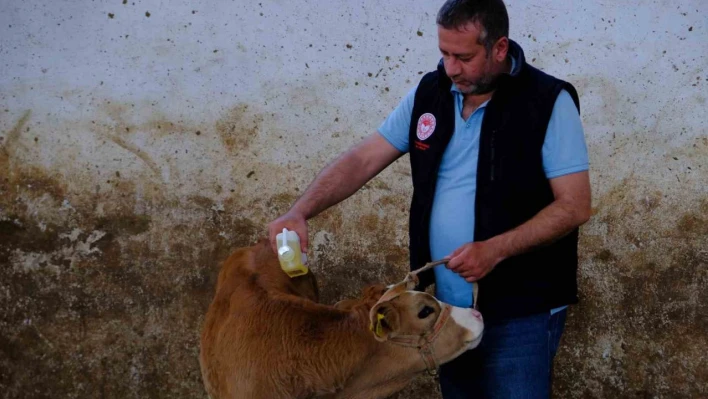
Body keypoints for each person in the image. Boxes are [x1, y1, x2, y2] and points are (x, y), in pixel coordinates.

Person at [268, 0, 591, 397]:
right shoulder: (430, 92)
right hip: (443, 308)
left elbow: (574, 205)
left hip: (521, 310)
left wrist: (495, 250)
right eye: (444, 53)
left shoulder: (548, 101)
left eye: (464, 57)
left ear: (500, 48)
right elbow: (363, 158)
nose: (451, 67)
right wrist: (301, 211)